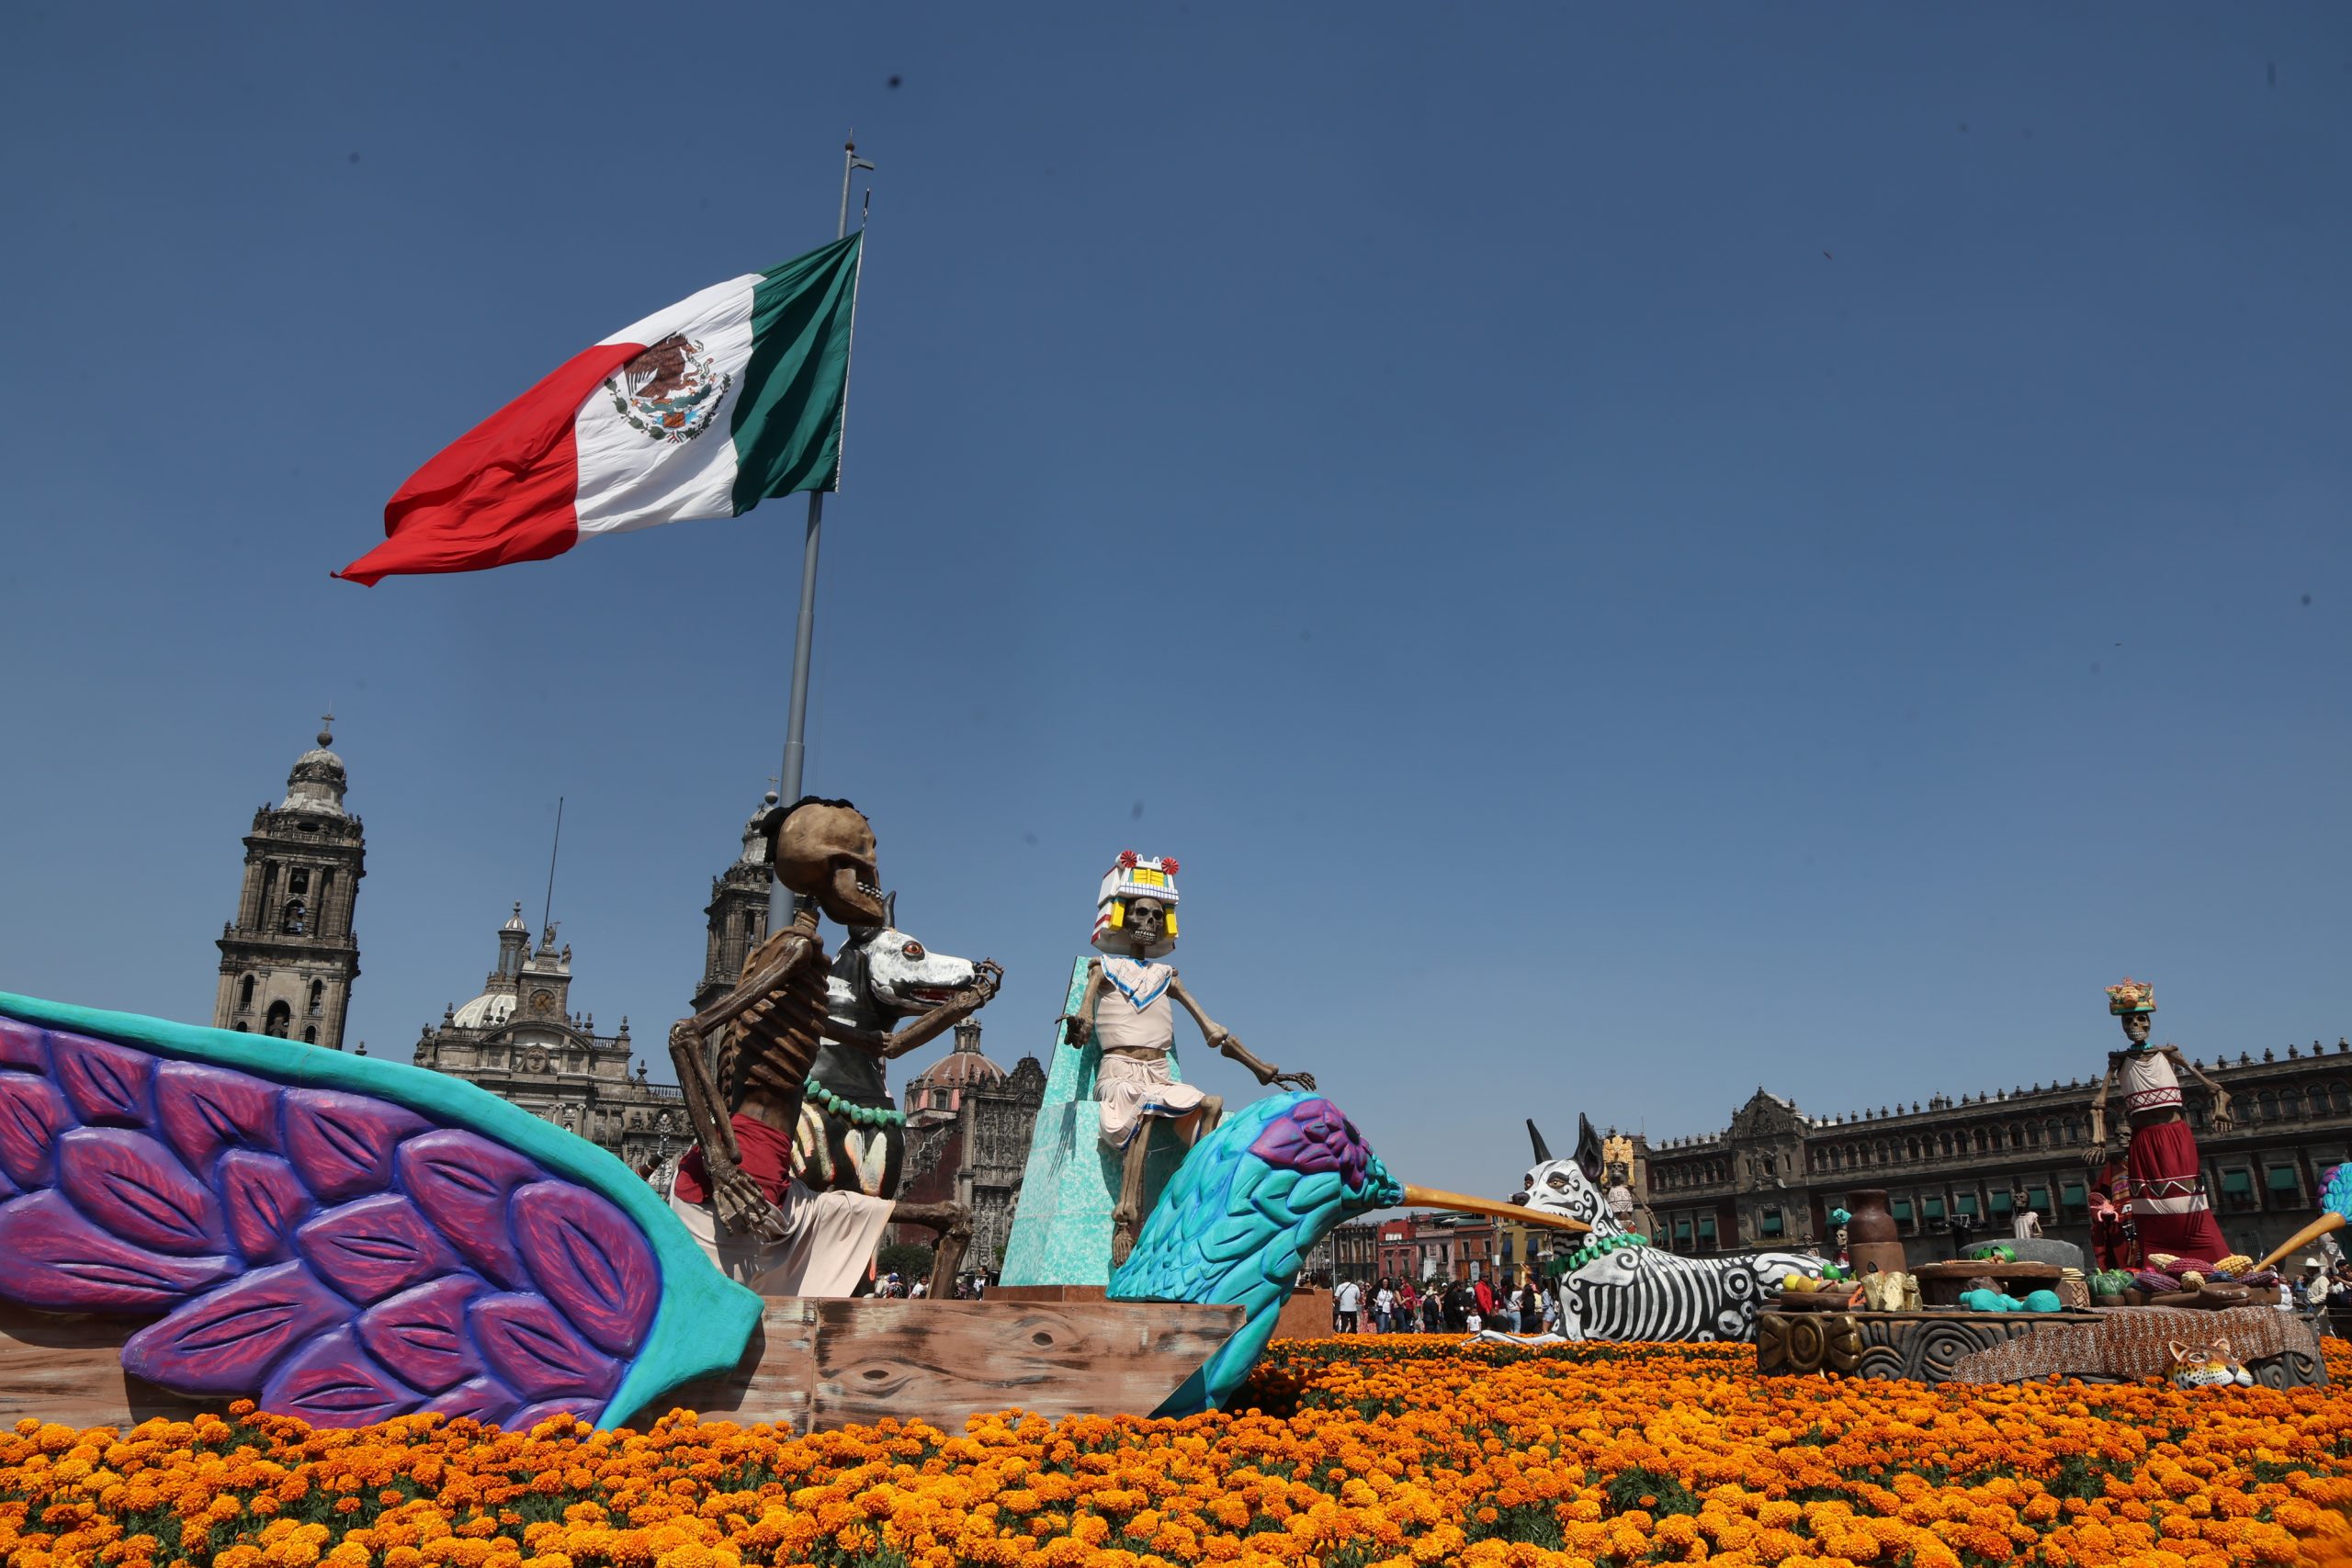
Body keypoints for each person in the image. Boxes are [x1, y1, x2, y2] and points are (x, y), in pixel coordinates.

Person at [1058, 853, 1315, 1266]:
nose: (1149, 921)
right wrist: (1079, 1024)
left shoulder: (1167, 977)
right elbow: (1084, 1019)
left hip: (1157, 1073)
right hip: (1119, 1075)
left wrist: (1264, 1070)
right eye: (1141, 912)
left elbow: (1213, 1031)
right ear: (1123, 916)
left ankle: (1197, 1206)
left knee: (1210, 1103)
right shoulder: (1102, 969)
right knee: (1143, 1107)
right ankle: (1125, 1219)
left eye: (1157, 915)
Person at [2087, 979, 2236, 1269]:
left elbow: (2214, 1087)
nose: (2134, 1024)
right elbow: (2099, 1102)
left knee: (2187, 1193)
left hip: (2174, 1133)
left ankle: (2211, 1258)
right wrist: (2098, 1138)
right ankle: (2157, 1262)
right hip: (2142, 1136)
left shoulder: (2168, 1054)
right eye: (2128, 1020)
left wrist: (2221, 1106)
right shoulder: (2119, 1061)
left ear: (2149, 1023)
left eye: (2140, 1019)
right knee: (2147, 1197)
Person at [2303, 1259, 2332, 1329]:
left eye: (2308, 1269)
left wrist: (2311, 1301)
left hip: (2322, 1309)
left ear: (2314, 1269)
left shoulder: (2322, 1279)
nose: (2307, 1271)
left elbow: (2325, 1295)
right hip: (2315, 1309)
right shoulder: (2312, 1280)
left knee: (2326, 1331)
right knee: (2319, 1331)